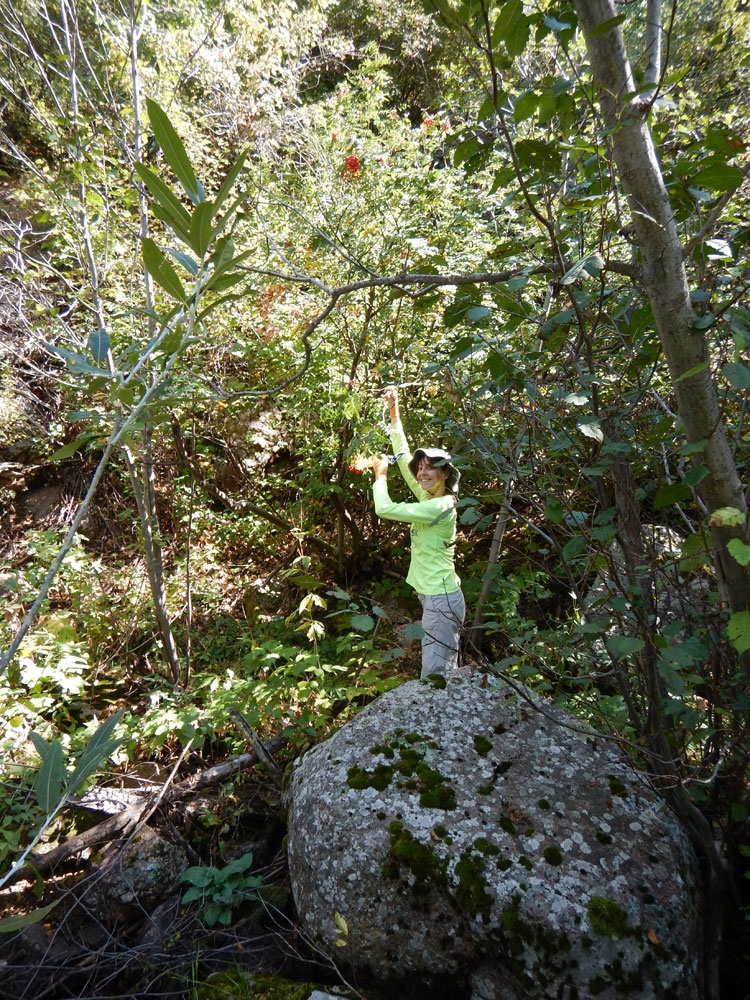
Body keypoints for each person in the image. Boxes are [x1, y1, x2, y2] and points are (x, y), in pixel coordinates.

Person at [371, 386, 465, 679]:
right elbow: (403, 457)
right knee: (444, 669)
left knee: (436, 676)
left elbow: (384, 508)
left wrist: (380, 476)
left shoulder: (439, 507)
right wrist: (393, 410)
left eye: (430, 469)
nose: (422, 473)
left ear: (445, 473)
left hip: (441, 598)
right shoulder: (429, 497)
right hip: (435, 596)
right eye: (420, 468)